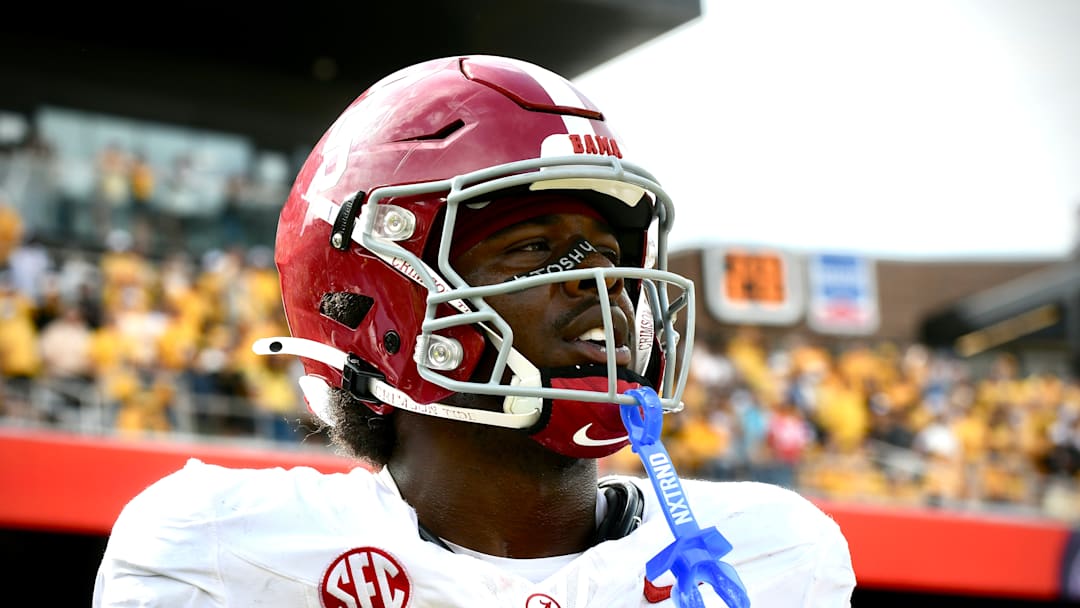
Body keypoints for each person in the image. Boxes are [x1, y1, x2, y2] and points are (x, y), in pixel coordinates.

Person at [92, 55, 855, 607]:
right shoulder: (220, 552)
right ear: (379, 302)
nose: (605, 286)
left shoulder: (775, 555)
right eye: (535, 247)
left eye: (613, 255)